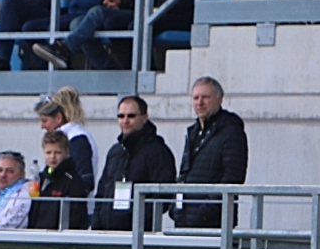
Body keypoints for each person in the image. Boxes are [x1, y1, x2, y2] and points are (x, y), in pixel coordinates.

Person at [172, 76, 248, 229]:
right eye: (195, 98)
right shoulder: (193, 132)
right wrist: (176, 208)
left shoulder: (231, 131)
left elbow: (233, 177)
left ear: (220, 99)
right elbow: (183, 175)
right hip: (185, 221)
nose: (199, 102)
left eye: (205, 97)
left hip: (215, 223)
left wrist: (205, 211)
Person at [92, 94, 176, 231]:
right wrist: (97, 223)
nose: (125, 121)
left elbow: (163, 195)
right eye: (121, 116)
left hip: (139, 234)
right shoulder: (115, 152)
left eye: (131, 116)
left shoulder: (158, 152)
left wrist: (137, 220)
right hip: (107, 233)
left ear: (144, 118)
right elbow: (102, 190)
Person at [28, 131, 88, 229]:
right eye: (48, 152)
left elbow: (78, 216)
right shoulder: (41, 178)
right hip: (37, 235)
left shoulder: (73, 180)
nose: (52, 157)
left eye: (57, 152)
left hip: (59, 238)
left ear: (67, 152)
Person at [0, 151, 33, 229]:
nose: (3, 175)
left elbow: (9, 224)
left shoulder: (23, 195)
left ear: (22, 174)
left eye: (9, 171)